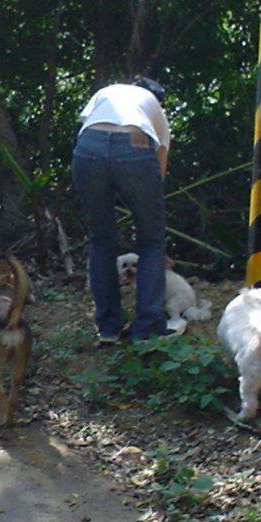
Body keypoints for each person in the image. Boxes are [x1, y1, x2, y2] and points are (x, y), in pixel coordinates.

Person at [71, 76, 170, 344]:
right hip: (135, 144)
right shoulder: (155, 109)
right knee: (151, 240)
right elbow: (159, 170)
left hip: (88, 147)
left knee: (101, 238)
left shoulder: (107, 90)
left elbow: (89, 130)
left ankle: (108, 328)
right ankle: (147, 329)